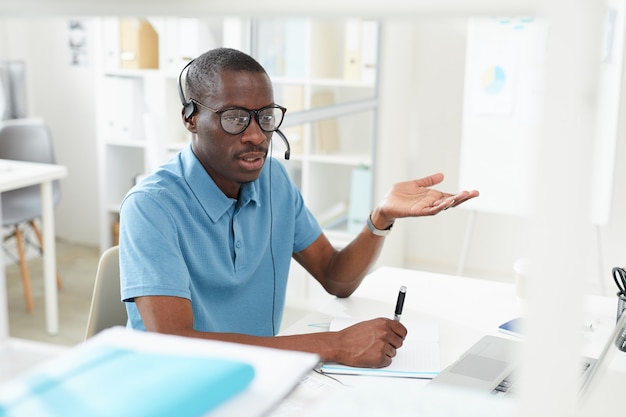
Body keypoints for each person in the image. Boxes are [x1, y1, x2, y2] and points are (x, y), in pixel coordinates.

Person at [119, 47, 479, 369]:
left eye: (266, 117)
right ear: (190, 118)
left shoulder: (273, 180)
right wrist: (335, 345)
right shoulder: (151, 207)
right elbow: (174, 344)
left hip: (260, 377)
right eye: (234, 118)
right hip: (180, 388)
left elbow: (336, 277)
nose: (257, 135)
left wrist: (380, 217)